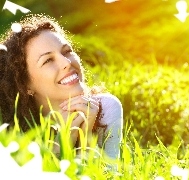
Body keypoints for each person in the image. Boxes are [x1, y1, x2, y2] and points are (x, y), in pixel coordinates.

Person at [0, 14, 123, 159]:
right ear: (25, 84)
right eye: (48, 61)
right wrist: (64, 141)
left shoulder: (105, 108)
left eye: (66, 51)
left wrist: (86, 139)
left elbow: (109, 174)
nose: (66, 62)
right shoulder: (11, 137)